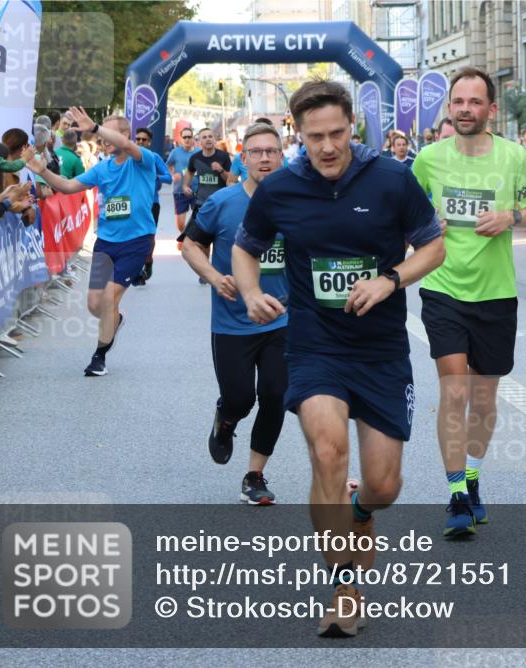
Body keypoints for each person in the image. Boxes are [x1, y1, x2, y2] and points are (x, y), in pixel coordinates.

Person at [232, 79, 445, 637]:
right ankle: (343, 589)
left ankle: (361, 512)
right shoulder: (280, 188)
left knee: (383, 486)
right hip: (315, 345)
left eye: (337, 133)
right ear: (296, 135)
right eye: (314, 137)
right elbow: (244, 248)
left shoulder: (393, 178)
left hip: (380, 352)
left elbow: (434, 245)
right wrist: (252, 292)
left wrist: (391, 279)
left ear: (354, 126)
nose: (327, 147)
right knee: (328, 451)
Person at [412, 66, 526, 537]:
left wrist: (510, 215)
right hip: (443, 287)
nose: (465, 110)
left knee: (484, 400)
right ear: (449, 107)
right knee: (453, 392)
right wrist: (427, 225)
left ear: (491, 109)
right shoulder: (429, 158)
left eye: (475, 102)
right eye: (458, 102)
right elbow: (406, 214)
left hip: (496, 294)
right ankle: (454, 495)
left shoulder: (513, 157)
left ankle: (472, 478)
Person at [181, 123, 289, 505]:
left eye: (271, 151)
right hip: (231, 322)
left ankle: (255, 475)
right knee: (240, 398)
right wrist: (212, 276)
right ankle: (225, 422)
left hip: (283, 321)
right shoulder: (222, 203)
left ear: (282, 156)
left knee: (275, 394)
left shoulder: (300, 203)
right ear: (243, 159)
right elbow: (191, 245)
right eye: (256, 152)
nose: (264, 158)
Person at [23, 107, 158, 376]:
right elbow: (68, 186)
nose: (104, 140)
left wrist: (95, 127)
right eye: (101, 134)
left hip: (136, 242)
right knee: (95, 305)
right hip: (106, 243)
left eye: (110, 133)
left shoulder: (143, 159)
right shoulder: (102, 168)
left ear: (124, 134)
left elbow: (126, 145)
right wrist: (43, 172)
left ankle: (99, 357)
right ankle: (114, 321)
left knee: (109, 299)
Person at [133, 127, 173, 284]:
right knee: (133, 236)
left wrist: (155, 176)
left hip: (151, 203)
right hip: (133, 204)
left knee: (148, 237)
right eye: (138, 139)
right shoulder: (128, 157)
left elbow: (169, 178)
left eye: (144, 140)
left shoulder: (154, 157)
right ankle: (136, 269)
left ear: (149, 143)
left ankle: (148, 262)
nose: (141, 142)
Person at [182, 128, 230, 233]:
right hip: (201, 204)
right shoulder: (195, 158)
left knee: (218, 237)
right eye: (204, 137)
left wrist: (221, 170)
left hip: (220, 204)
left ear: (214, 139)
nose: (208, 139)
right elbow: (189, 172)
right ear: (199, 142)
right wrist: (185, 186)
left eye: (210, 136)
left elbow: (230, 180)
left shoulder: (223, 156)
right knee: (201, 242)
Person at [165, 128, 199, 244]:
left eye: (189, 137)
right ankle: (185, 236)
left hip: (197, 191)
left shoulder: (199, 152)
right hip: (180, 191)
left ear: (193, 138)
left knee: (199, 220)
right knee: (180, 224)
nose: (187, 139)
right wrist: (173, 175)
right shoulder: (175, 152)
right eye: (185, 137)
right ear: (181, 139)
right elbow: (168, 166)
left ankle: (193, 241)